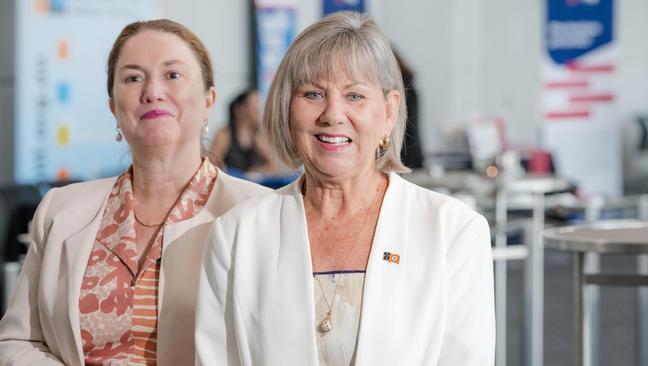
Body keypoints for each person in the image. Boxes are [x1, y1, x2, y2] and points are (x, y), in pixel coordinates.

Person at [195, 11, 494, 365]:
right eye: (313, 93)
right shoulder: (235, 236)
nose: (333, 114)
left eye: (354, 96)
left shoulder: (454, 232)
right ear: (287, 109)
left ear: (389, 112)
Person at [0, 19, 269, 365]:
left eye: (172, 75)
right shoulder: (59, 211)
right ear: (114, 107)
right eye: (133, 78)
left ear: (208, 100)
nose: (152, 91)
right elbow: (16, 340)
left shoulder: (259, 213)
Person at [209, 88, 276, 173]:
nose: (259, 111)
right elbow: (211, 166)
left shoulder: (260, 137)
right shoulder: (225, 135)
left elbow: (274, 167)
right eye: (254, 107)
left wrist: (257, 171)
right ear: (240, 109)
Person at [393, 47, 424, 169]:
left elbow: (409, 130)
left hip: (404, 157)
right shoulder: (409, 87)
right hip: (411, 156)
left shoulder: (406, 90)